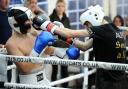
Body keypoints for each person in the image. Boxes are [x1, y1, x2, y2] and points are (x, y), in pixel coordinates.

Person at [32, 5, 128, 89]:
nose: (87, 27)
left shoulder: (102, 30)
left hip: (108, 81)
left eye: (87, 24)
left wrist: (47, 25)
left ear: (94, 17)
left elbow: (70, 32)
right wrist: (68, 39)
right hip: (120, 79)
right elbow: (84, 46)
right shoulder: (114, 30)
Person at [6, 6, 80, 86]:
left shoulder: (32, 33)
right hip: (29, 83)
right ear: (16, 24)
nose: (31, 23)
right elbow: (25, 69)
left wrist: (64, 53)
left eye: (30, 19)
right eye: (27, 21)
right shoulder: (11, 44)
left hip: (44, 79)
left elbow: (47, 49)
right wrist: (37, 49)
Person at [49, 0, 70, 87]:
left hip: (65, 47)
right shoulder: (51, 17)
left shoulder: (67, 19)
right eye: (58, 6)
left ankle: (65, 86)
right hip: (54, 47)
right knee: (55, 69)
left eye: (62, 6)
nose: (60, 8)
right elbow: (49, 32)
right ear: (55, 7)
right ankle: (53, 87)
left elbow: (69, 32)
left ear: (64, 7)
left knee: (65, 69)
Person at [0, 0, 12, 88]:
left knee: (9, 74)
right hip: (0, 52)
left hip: (10, 49)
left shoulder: (11, 14)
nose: (7, 1)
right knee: (1, 77)